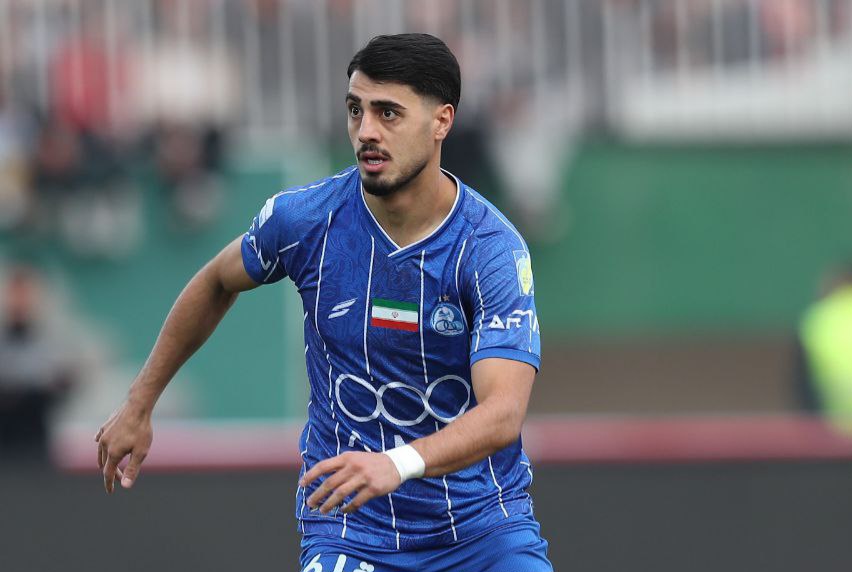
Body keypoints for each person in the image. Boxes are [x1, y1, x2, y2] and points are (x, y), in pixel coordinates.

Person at [95, 34, 551, 571]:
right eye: (356, 110)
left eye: (388, 113)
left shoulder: (490, 249)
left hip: (484, 529)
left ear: (441, 121)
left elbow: (502, 413)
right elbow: (216, 281)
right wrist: (139, 403)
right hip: (352, 531)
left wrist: (397, 463)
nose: (367, 131)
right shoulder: (306, 220)